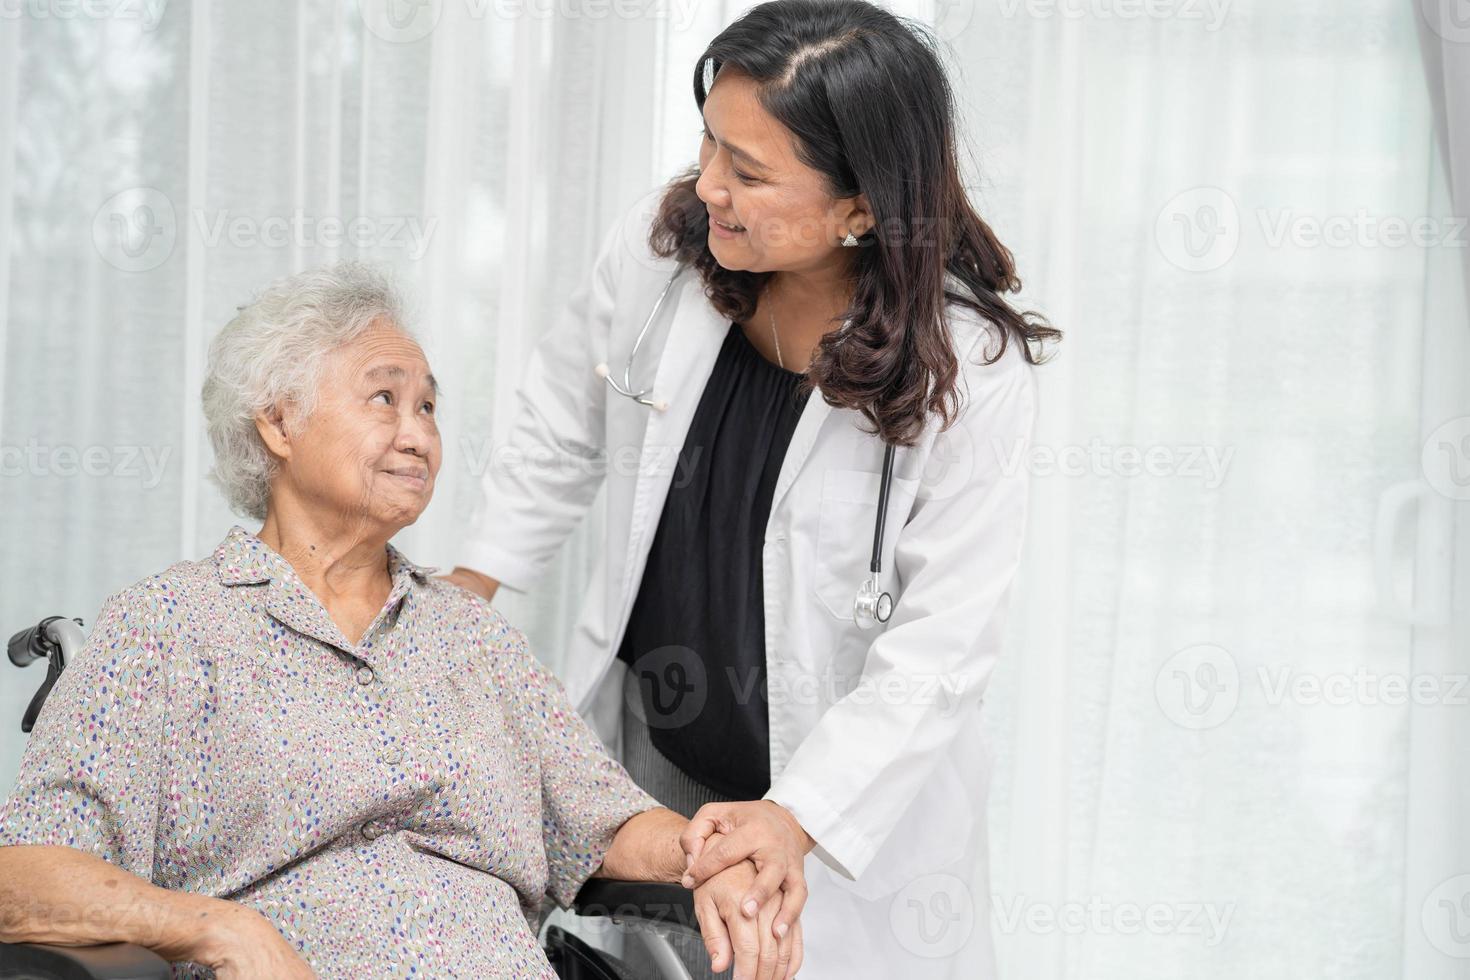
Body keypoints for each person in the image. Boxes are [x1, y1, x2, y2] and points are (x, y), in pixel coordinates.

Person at [442, 2, 1057, 977]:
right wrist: (462, 596)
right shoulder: (666, 257)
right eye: (709, 146)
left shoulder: (969, 372)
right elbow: (561, 422)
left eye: (751, 172)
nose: (707, 187)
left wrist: (793, 816)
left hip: (837, 827)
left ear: (861, 207)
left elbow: (940, 651)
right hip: (654, 770)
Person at [0, 264, 804, 980]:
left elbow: (604, 820)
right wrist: (218, 928)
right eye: (384, 398)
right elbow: (22, 878)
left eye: (428, 407)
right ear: (278, 425)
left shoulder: (471, 636)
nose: (418, 435)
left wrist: (712, 855)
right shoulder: (170, 626)